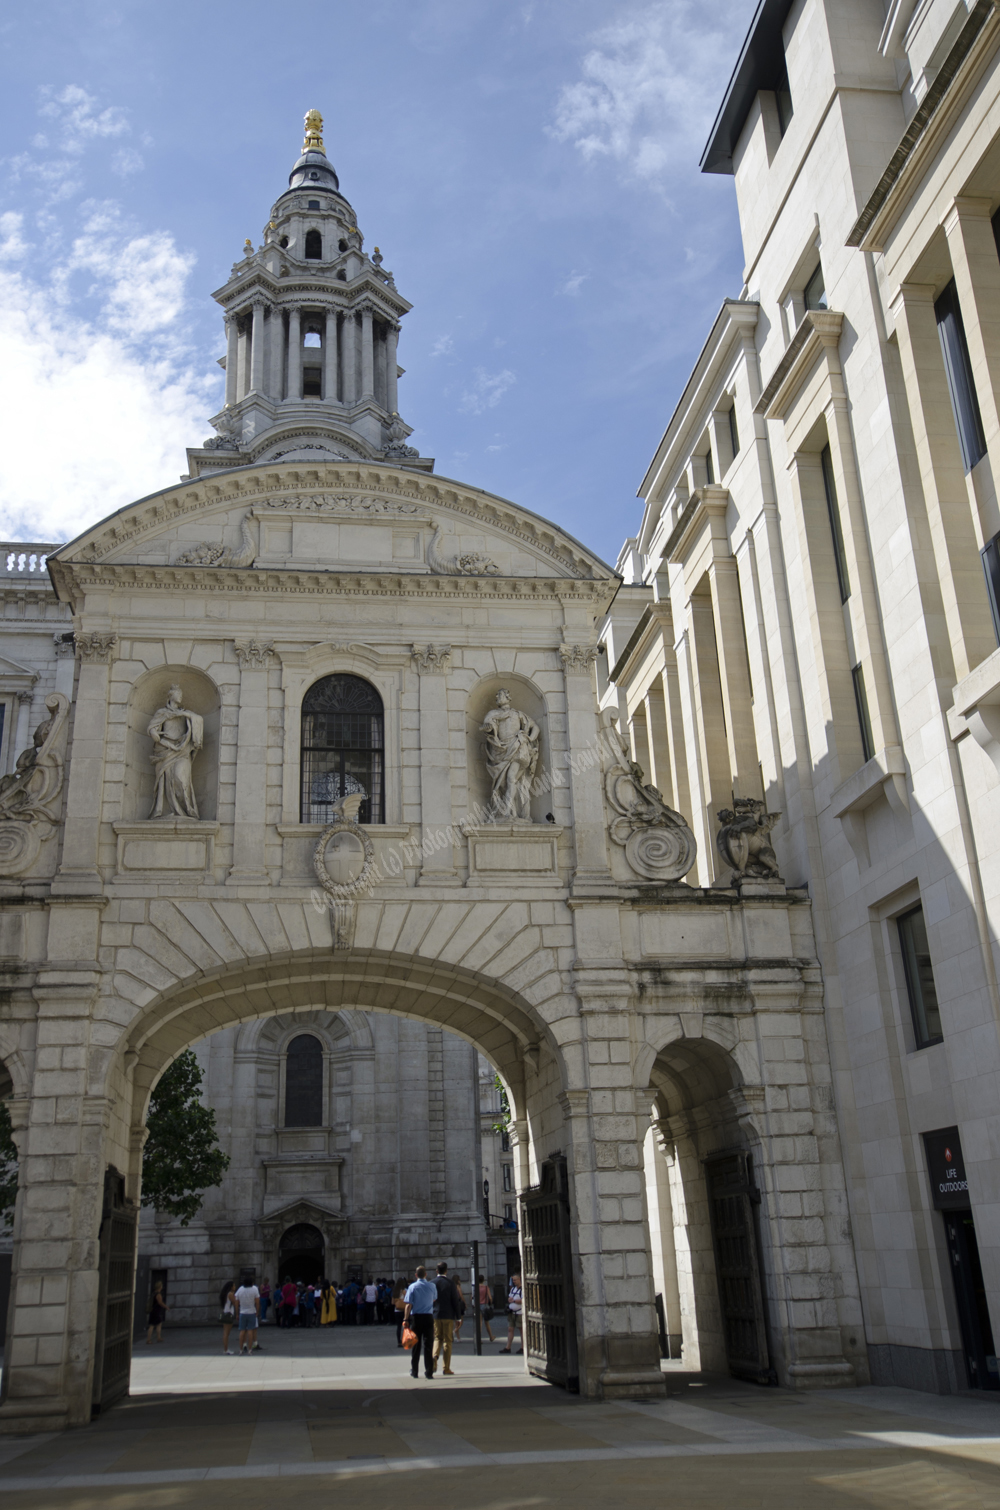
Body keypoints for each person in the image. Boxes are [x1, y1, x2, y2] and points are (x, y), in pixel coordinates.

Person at [402, 1265, 437, 1380]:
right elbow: (434, 1299)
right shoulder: (432, 1286)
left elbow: (408, 1304)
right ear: (426, 1274)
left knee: (415, 1345)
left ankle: (415, 1371)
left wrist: (406, 1319)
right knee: (428, 1345)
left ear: (416, 1275)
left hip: (416, 1318)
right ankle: (429, 1371)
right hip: (428, 1317)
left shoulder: (412, 1287)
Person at [432, 1262, 463, 1377]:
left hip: (436, 1314)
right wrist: (458, 1317)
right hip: (448, 1315)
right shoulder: (451, 1283)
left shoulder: (432, 1283)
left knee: (437, 1337)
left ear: (436, 1271)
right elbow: (455, 1301)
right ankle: (446, 1368)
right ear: (446, 1271)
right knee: (447, 1341)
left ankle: (434, 1356)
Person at [236, 1277, 261, 1354]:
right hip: (251, 1312)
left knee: (242, 1331)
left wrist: (237, 1313)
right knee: (250, 1331)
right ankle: (250, 1349)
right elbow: (257, 1302)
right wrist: (257, 1311)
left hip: (242, 1312)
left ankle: (241, 1349)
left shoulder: (240, 1289)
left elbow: (236, 1302)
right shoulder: (254, 1289)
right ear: (251, 1283)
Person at [500, 1272, 523, 1354]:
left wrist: (514, 1300)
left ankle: (523, 1347)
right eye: (513, 1280)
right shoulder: (513, 1289)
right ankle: (508, 1347)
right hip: (511, 1313)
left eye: (515, 1280)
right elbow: (510, 1297)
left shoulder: (522, 1290)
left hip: (519, 1313)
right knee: (510, 1329)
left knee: (521, 1330)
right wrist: (510, 1300)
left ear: (520, 1279)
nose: (514, 1282)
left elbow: (523, 1301)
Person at [146, 1280, 168, 1345]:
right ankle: (148, 1339)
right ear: (160, 1287)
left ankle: (158, 1337)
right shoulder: (158, 1294)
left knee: (159, 1323)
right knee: (152, 1325)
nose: (162, 1287)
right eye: (161, 1286)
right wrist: (166, 1307)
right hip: (155, 1311)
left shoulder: (153, 1293)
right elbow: (160, 1303)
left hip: (153, 1311)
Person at [220, 1278, 237, 1355]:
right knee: (226, 1333)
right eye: (234, 1286)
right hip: (229, 1314)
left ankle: (225, 1349)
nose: (235, 1287)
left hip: (225, 1313)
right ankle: (226, 1350)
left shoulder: (226, 1294)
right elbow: (234, 1302)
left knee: (225, 1333)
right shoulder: (230, 1294)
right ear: (231, 1287)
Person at [478, 1274, 496, 1344]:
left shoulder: (476, 1288)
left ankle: (479, 1339)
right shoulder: (486, 1288)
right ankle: (491, 1336)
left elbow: (472, 1298)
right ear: (483, 1280)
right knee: (487, 1322)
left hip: (478, 1306)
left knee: (479, 1323)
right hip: (484, 1306)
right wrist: (490, 1303)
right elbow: (490, 1298)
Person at [392, 1277, 407, 1347]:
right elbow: (408, 1300)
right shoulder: (405, 1291)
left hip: (397, 1310)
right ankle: (405, 1341)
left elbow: (392, 1302)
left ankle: (399, 1342)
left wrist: (397, 1302)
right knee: (405, 1326)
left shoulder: (395, 1291)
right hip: (404, 1310)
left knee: (398, 1326)